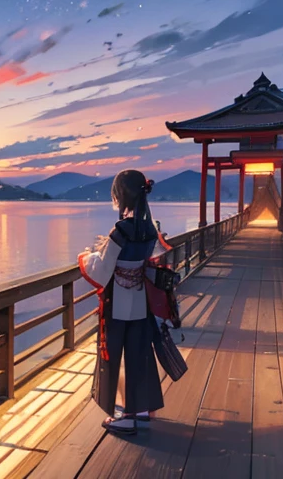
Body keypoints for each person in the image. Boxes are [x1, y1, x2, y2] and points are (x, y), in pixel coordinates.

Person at [78, 169, 171, 435]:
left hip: (118, 302)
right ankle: (142, 409)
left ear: (120, 196)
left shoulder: (121, 230)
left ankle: (125, 414)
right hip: (140, 299)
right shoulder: (149, 229)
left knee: (115, 356)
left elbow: (102, 270)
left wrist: (85, 256)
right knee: (138, 355)